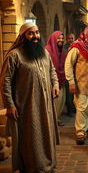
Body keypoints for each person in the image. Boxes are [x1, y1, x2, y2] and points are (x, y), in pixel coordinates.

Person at [0, 22, 59, 173]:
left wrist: (55, 84)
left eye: (37, 33)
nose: (35, 36)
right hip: (27, 106)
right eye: (31, 33)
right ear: (23, 36)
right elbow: (5, 81)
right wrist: (10, 104)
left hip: (45, 105)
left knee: (46, 135)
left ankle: (48, 164)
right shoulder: (15, 55)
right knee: (31, 137)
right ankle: (34, 166)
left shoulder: (44, 53)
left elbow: (52, 71)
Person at [46, 31, 67, 126]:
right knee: (52, 103)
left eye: (62, 38)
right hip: (50, 82)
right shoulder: (47, 50)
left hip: (61, 81)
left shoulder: (63, 52)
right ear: (54, 38)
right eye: (59, 38)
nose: (61, 40)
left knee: (60, 102)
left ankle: (56, 119)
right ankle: (51, 121)